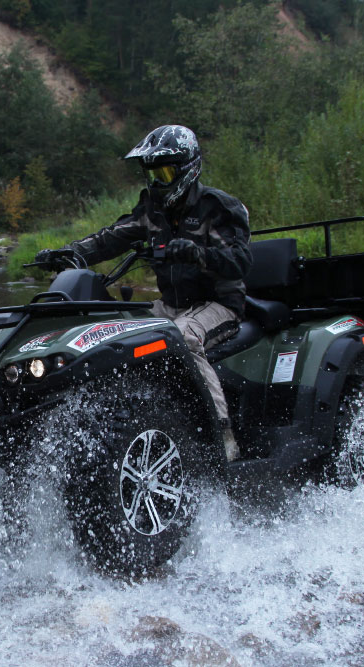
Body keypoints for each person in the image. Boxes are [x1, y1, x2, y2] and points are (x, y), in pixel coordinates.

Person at [34, 124, 251, 461]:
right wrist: (67, 253)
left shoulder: (218, 207)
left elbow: (239, 261)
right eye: (151, 174)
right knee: (113, 333)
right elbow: (111, 238)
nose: (157, 182)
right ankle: (120, 412)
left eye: (164, 173)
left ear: (187, 169)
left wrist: (198, 254)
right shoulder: (152, 208)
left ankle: (222, 436)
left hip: (219, 304)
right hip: (171, 305)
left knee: (184, 338)